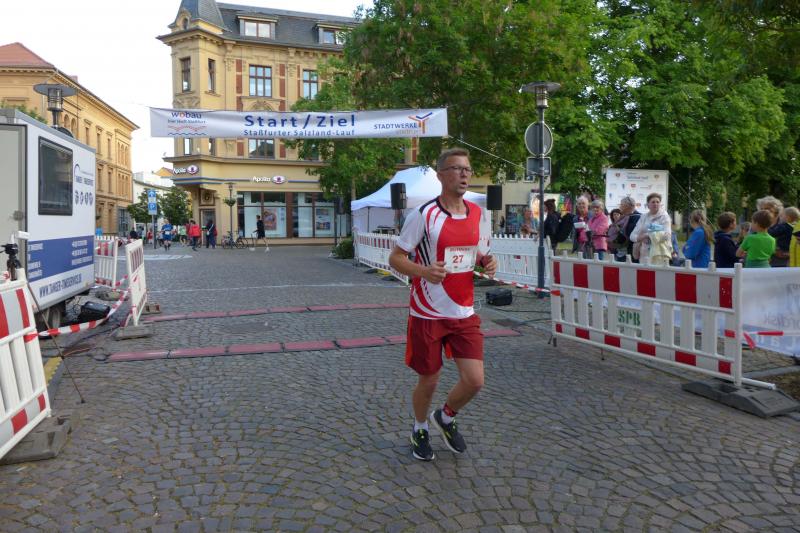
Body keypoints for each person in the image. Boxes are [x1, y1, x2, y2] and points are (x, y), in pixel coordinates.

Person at [388, 148, 497, 462]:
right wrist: (424, 271)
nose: (464, 174)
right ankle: (420, 427)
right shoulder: (423, 215)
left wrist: (487, 261)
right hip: (428, 312)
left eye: (467, 169)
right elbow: (395, 258)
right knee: (430, 378)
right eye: (456, 168)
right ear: (440, 175)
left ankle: (446, 417)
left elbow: (474, 251)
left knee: (475, 380)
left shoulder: (477, 213)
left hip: (464, 311)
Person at [629, 192, 672, 266]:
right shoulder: (643, 217)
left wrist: (648, 235)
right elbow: (632, 236)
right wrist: (643, 237)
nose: (655, 204)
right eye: (653, 202)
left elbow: (667, 236)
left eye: (657, 202)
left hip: (659, 255)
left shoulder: (665, 217)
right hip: (644, 255)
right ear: (648, 204)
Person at [616, 196, 641, 260]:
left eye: (621, 204)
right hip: (624, 252)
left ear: (627, 206)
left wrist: (619, 231)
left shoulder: (637, 217)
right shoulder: (625, 217)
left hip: (633, 253)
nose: (620, 207)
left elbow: (631, 235)